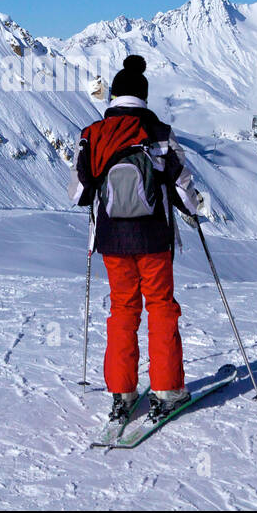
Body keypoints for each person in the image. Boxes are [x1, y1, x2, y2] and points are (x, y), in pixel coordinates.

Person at [68, 54, 203, 423]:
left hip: (112, 240)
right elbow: (181, 185)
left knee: (122, 311)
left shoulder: (91, 134)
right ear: (144, 96)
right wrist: (195, 209)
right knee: (161, 307)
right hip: (154, 238)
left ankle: (122, 393)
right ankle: (166, 389)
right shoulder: (159, 132)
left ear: (113, 96)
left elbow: (78, 192)